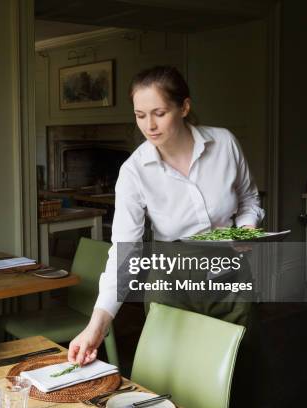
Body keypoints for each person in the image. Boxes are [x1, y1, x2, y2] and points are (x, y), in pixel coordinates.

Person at [67, 65, 265, 366]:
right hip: (171, 285)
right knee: (175, 376)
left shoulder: (224, 143)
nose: (150, 126)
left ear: (184, 107)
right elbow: (125, 254)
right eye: (140, 115)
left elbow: (249, 198)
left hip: (230, 279)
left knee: (237, 373)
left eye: (159, 113)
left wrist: (246, 228)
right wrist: (96, 326)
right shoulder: (134, 172)